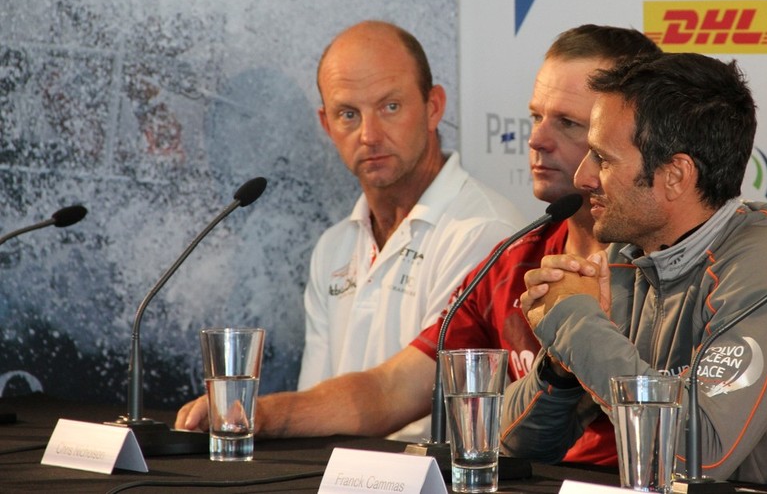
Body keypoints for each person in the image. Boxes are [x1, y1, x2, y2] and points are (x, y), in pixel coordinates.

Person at [177, 24, 660, 462]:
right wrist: (260, 416)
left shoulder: (669, 267)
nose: (536, 140)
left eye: (569, 123)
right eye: (535, 117)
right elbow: (389, 390)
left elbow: (690, 442)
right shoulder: (513, 257)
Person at [501, 52, 767, 491]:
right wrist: (560, 365)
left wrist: (577, 326)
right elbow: (515, 448)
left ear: (675, 175)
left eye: (603, 158)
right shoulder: (626, 254)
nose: (583, 177)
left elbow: (701, 457)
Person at [178, 20, 524, 441]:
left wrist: (256, 413)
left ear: (434, 107)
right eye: (348, 114)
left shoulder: (484, 231)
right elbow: (316, 408)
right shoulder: (333, 246)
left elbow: (413, 405)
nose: (370, 135)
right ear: (326, 125)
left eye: (390, 107)